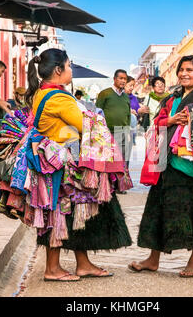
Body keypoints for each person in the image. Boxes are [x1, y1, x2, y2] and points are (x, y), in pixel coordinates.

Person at [25, 49, 132, 281]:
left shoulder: (42, 93)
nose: (71, 70)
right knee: (61, 214)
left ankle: (83, 264)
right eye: (69, 66)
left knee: (69, 214)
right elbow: (86, 126)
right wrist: (97, 116)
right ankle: (52, 269)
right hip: (61, 166)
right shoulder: (59, 98)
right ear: (58, 70)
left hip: (51, 163)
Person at [128, 55, 193, 278]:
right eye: (181, 69)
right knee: (158, 210)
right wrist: (171, 121)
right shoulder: (172, 99)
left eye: (189, 70)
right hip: (170, 163)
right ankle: (153, 260)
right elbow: (157, 123)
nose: (184, 73)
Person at [96, 69, 132, 171]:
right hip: (108, 133)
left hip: (123, 133)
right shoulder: (105, 93)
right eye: (121, 78)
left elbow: (128, 115)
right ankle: (109, 185)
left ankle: (121, 183)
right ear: (114, 79)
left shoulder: (126, 96)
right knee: (109, 162)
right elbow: (97, 113)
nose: (123, 81)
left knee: (122, 161)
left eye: (125, 79)